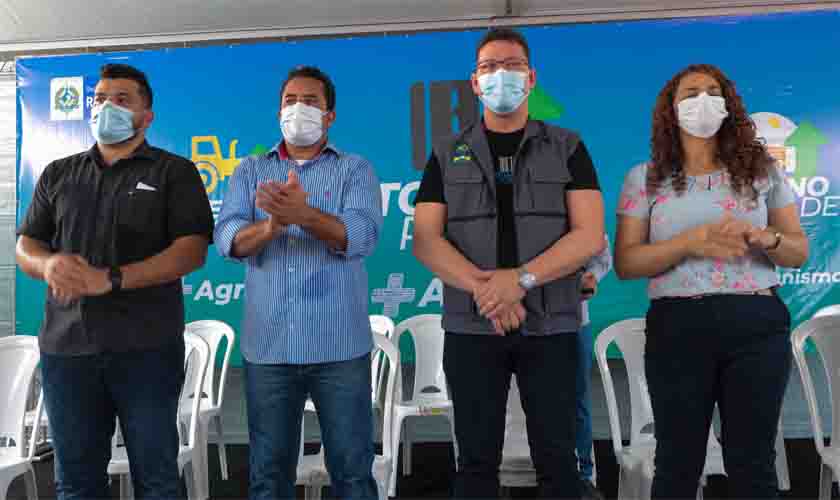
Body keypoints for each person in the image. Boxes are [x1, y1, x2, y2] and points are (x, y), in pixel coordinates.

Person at [413, 27, 606, 499]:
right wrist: (490, 291)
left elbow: (588, 235)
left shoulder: (568, 147)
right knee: (476, 465)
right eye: (489, 67)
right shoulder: (445, 153)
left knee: (559, 463)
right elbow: (426, 240)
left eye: (512, 65)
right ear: (475, 84)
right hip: (471, 328)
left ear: (532, 77)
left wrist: (520, 281)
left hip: (553, 326)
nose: (502, 75)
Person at [16, 63, 214, 499]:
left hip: (146, 350)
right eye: (100, 99)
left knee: (157, 477)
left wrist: (112, 279)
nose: (107, 107)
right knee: (76, 482)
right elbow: (26, 245)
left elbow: (192, 251)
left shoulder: (173, 172)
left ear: (147, 117)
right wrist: (47, 265)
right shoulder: (58, 173)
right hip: (67, 351)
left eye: (122, 100)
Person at [614, 63, 809, 499]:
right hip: (678, 326)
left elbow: (798, 251)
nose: (702, 100)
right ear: (671, 109)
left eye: (711, 91)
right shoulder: (644, 178)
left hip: (755, 324)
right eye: (690, 93)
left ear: (728, 105)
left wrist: (765, 237)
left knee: (753, 461)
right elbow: (627, 262)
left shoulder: (762, 172)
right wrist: (690, 242)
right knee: (678, 462)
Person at [214, 65, 383, 500]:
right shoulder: (250, 171)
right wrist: (271, 227)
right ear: (278, 113)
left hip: (340, 349)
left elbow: (361, 236)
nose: (298, 109)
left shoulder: (354, 170)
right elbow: (228, 238)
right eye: (290, 101)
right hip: (269, 350)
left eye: (310, 102)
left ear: (330, 116)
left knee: (351, 472)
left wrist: (303, 216)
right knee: (269, 477)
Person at [577, 238, 611, 500]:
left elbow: (601, 256)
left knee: (577, 402)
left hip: (573, 320)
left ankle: (584, 478)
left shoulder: (580, 198)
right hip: (514, 314)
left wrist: (591, 275)